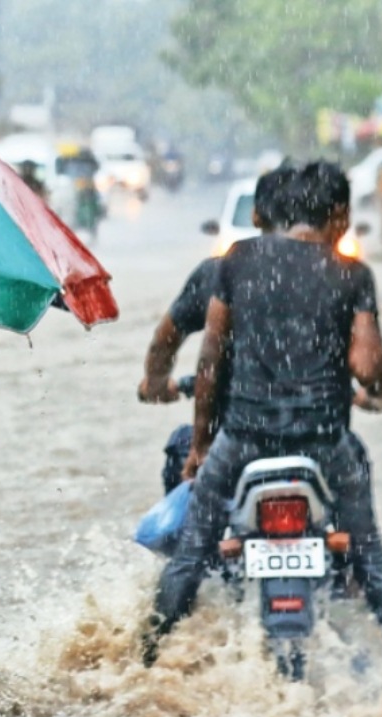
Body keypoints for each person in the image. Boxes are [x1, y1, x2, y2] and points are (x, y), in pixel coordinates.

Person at [143, 161, 382, 665]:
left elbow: (211, 360)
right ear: (338, 215)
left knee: (189, 557)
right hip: (324, 439)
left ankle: (145, 662)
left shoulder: (238, 259)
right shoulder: (352, 274)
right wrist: (381, 389)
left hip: (245, 437)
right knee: (372, 560)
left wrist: (203, 447)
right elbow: (367, 363)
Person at [139, 164, 296, 493]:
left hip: (236, 433)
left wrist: (156, 384)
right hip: (312, 435)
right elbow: (368, 363)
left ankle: (194, 545)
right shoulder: (335, 277)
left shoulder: (220, 271)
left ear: (256, 216)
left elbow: (168, 343)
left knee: (180, 465)